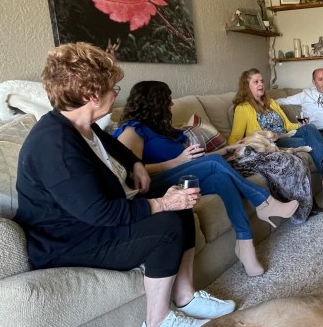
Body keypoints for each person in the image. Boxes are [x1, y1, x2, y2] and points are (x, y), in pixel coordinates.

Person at [14, 43, 235, 327]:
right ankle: (157, 326)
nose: (116, 94)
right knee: (168, 222)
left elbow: (114, 146)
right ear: (92, 95)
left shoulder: (80, 126)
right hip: (68, 242)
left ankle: (185, 296)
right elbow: (101, 213)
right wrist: (161, 204)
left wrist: (136, 164)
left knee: (180, 204)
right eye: (113, 89)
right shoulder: (55, 145)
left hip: (89, 224)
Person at [113, 81, 300, 277]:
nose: (171, 104)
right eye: (167, 100)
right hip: (157, 185)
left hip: (181, 178)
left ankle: (245, 245)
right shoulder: (133, 130)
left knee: (221, 178)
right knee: (214, 164)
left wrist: (227, 149)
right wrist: (174, 162)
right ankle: (264, 202)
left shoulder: (164, 131)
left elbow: (194, 160)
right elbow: (130, 171)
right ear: (154, 102)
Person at [229, 68, 323, 177]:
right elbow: (236, 136)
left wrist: (300, 125)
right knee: (312, 141)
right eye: (256, 82)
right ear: (247, 86)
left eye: (262, 81)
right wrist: (235, 153)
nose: (261, 84)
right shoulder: (242, 108)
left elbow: (287, 125)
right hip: (273, 142)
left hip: (286, 135)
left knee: (310, 127)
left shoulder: (271, 102)